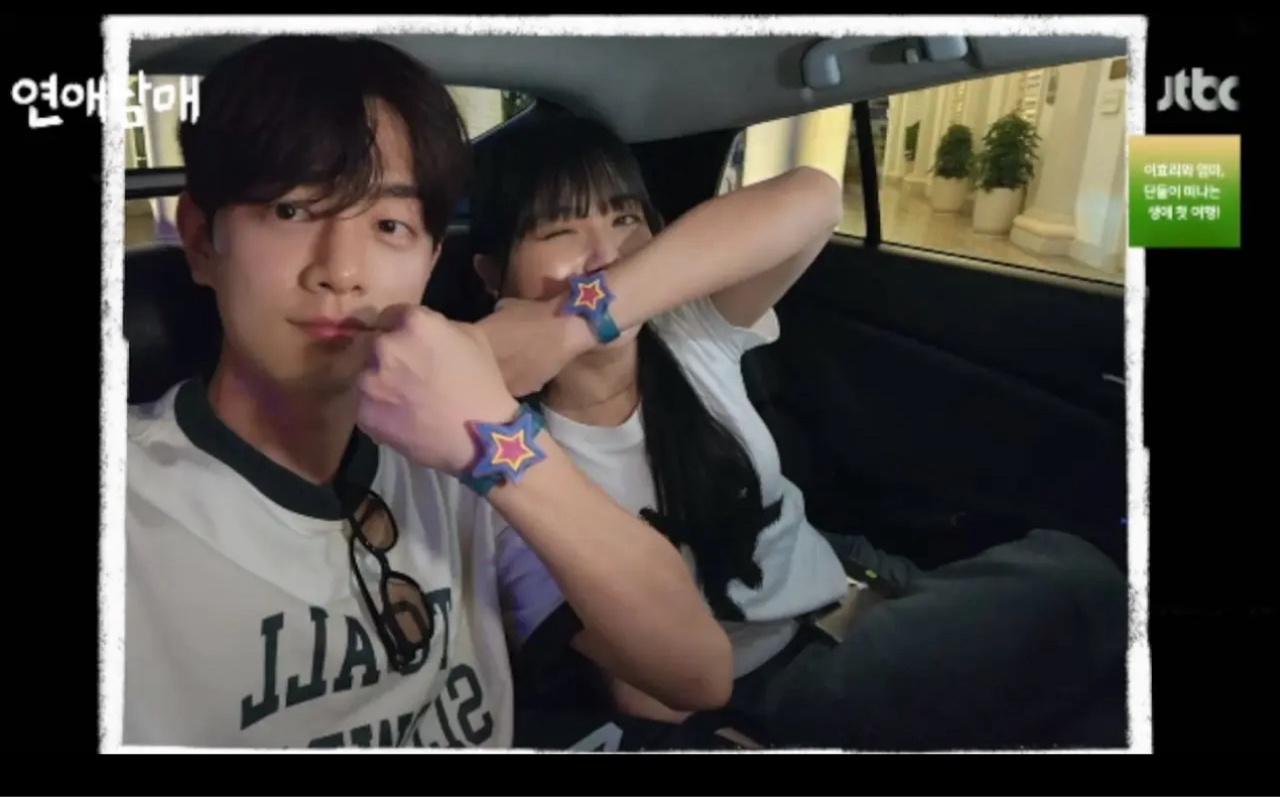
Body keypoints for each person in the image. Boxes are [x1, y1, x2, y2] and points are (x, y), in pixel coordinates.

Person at [123, 35, 735, 749]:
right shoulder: (132, 501)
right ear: (202, 240)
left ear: (430, 260)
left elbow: (694, 674)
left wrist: (495, 440)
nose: (341, 271)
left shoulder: (455, 459)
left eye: (389, 225)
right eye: (291, 210)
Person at [469, 113, 1129, 750]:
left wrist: (584, 316)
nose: (606, 255)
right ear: (493, 274)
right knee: (1083, 586)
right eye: (561, 229)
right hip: (773, 680)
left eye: (624, 218)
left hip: (846, 572)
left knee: (1074, 573)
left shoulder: (686, 330)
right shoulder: (511, 449)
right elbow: (648, 687)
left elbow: (814, 198)